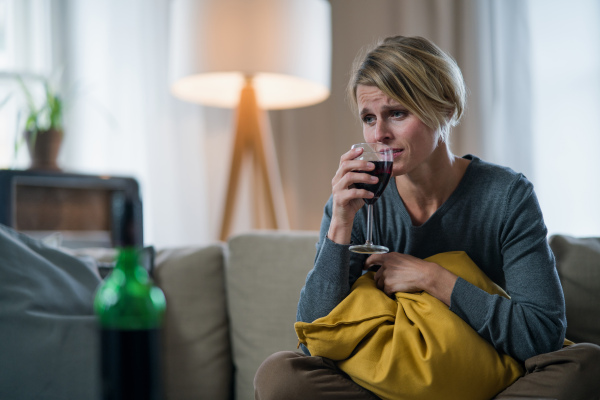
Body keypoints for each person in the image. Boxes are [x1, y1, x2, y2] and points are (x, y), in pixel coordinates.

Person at [254, 35, 600, 400]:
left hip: (489, 382)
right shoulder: (355, 200)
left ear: (446, 108)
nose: (379, 134)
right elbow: (313, 339)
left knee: (587, 365)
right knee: (281, 375)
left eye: (397, 113)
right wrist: (340, 223)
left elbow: (540, 335)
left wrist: (434, 279)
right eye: (369, 118)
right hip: (385, 383)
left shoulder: (506, 195)